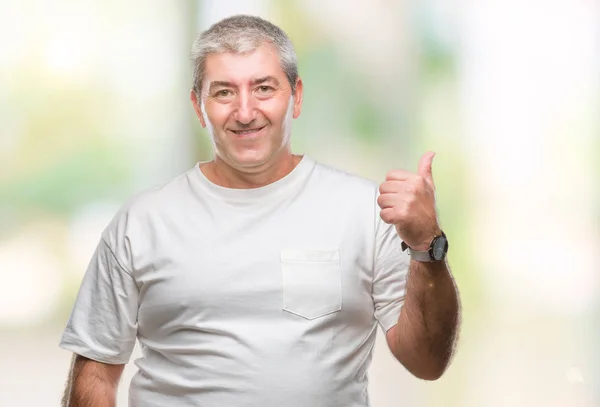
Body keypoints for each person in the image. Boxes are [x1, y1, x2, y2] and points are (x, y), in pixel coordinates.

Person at [59, 14, 460, 407]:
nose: (246, 111)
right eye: (223, 92)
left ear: (296, 96)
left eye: (264, 88)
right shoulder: (142, 222)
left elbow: (426, 361)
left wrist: (427, 244)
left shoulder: (365, 211)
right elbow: (95, 372)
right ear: (199, 106)